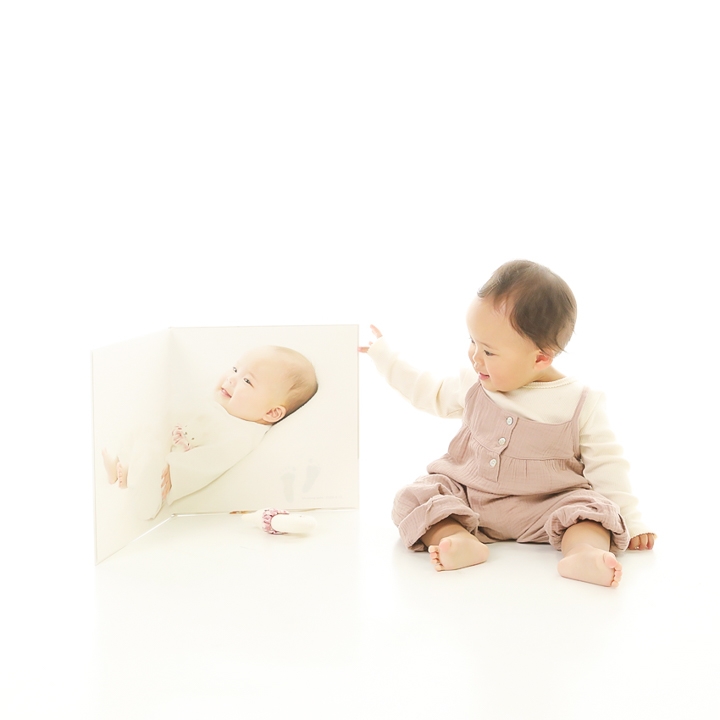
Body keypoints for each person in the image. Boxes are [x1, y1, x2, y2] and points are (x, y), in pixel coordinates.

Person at [360, 260, 655, 588]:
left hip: (548, 507)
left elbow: (608, 465)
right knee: (415, 497)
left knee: (593, 512)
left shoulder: (580, 402)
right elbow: (427, 391)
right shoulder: (474, 383)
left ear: (540, 358)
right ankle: (457, 537)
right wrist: (385, 357)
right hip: (469, 497)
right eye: (473, 341)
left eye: (489, 351)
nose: (475, 357)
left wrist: (633, 519)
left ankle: (583, 552)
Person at [103, 345, 318, 518]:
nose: (231, 378)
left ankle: (134, 481)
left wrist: (177, 472)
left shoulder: (242, 434)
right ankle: (123, 466)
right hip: (164, 443)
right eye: (235, 369)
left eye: (247, 381)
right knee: (148, 427)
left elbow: (211, 460)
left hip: (165, 470)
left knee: (152, 449)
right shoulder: (222, 403)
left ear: (271, 412)